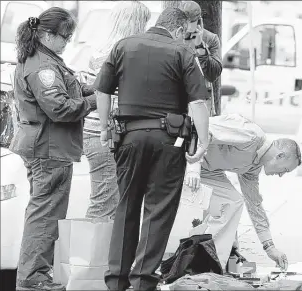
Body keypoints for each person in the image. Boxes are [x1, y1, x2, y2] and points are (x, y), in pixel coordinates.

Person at [93, 7, 210, 291]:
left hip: (128, 138)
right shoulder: (183, 54)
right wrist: (203, 141)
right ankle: (143, 280)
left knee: (127, 206)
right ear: (180, 30)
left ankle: (117, 281)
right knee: (158, 209)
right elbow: (197, 103)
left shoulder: (123, 46)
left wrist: (105, 128)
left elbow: (102, 90)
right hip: (168, 141)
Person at [10, 7, 97, 291]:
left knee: (44, 211)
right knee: (46, 213)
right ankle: (33, 276)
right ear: (47, 34)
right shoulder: (44, 67)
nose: (66, 42)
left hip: (46, 146)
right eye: (64, 36)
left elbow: (69, 89)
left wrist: (96, 88)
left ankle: (33, 274)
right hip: (49, 148)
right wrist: (97, 101)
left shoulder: (44, 59)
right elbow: (59, 108)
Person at [185, 113, 302, 270]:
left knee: (234, 201)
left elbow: (254, 204)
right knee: (231, 202)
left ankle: (214, 259)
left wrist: (269, 247)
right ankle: (203, 257)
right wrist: (193, 168)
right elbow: (201, 130)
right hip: (188, 154)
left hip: (208, 170)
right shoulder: (251, 136)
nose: (281, 175)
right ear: (280, 155)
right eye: (285, 170)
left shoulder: (253, 168)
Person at [82, 1, 152, 220]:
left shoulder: (100, 51)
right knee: (104, 203)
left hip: (99, 134)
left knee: (108, 200)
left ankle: (100, 253)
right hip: (106, 135)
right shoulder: (118, 54)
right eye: (145, 22)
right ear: (136, 24)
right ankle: (90, 253)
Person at [179, 1, 222, 115]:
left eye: (190, 21)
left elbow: (213, 74)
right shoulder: (174, 35)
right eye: (183, 21)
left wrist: (200, 47)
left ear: (199, 20)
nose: (186, 25)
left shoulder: (210, 39)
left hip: (200, 99)